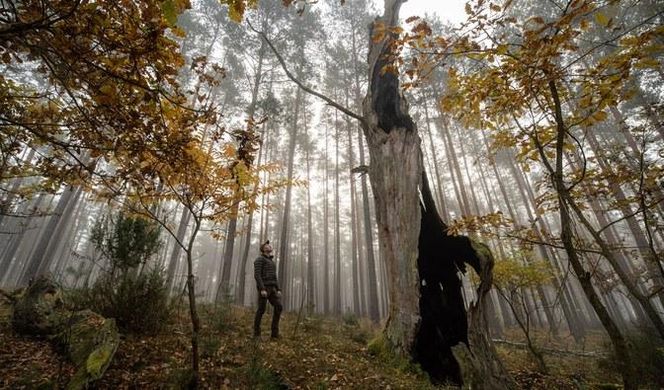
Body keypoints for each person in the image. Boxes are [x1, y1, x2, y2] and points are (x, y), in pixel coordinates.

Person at [253, 240, 282, 339]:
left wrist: (278, 289)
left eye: (270, 245)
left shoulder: (272, 262)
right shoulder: (259, 260)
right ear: (263, 248)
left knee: (279, 306)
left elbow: (274, 277)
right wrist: (262, 289)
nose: (269, 246)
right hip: (264, 288)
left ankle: (274, 334)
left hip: (272, 289)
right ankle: (256, 334)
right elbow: (257, 275)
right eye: (267, 245)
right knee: (261, 310)